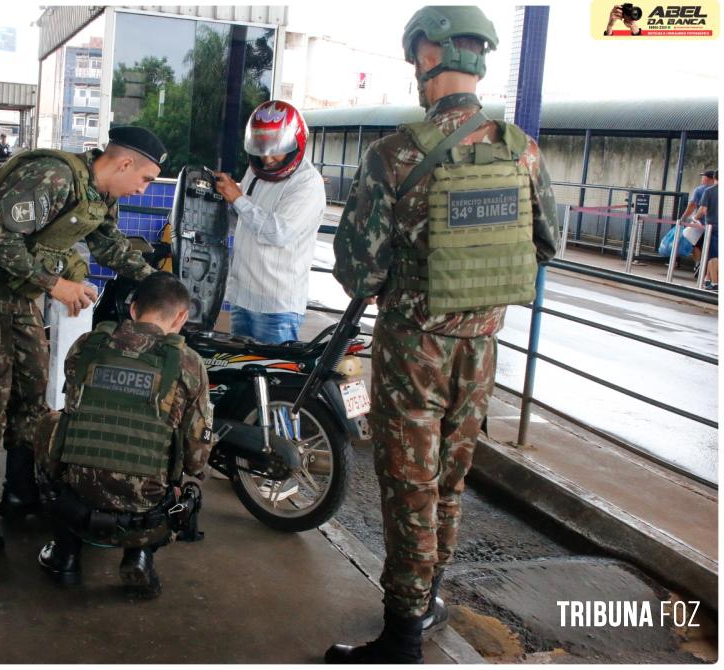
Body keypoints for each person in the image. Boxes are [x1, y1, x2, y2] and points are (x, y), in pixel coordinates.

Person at [325, 6, 559, 663]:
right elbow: (549, 242)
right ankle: (427, 600)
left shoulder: (396, 152)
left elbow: (359, 270)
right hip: (481, 349)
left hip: (414, 351)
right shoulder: (521, 149)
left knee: (409, 489)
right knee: (450, 483)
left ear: (428, 55)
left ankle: (400, 638)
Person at [0, 126, 168, 553]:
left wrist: (161, 285)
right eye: (144, 179)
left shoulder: (100, 196)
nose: (143, 190)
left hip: (20, 293)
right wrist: (56, 284)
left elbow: (111, 247)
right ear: (123, 163)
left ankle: (19, 490)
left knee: (32, 393)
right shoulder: (56, 176)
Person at [35, 272, 213, 598]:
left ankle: (67, 556)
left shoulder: (88, 345)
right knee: (189, 461)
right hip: (147, 511)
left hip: (76, 500)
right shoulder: (190, 364)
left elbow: (76, 408)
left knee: (51, 422)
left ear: (132, 309)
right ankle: (140, 555)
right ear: (182, 317)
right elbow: (196, 454)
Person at [213, 100, 326, 344]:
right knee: (239, 376)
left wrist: (238, 199)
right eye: (262, 148)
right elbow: (244, 220)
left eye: (276, 149)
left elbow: (278, 233)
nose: (268, 158)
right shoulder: (255, 172)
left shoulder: (306, 183)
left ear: (296, 143)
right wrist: (222, 202)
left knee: (272, 378)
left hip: (277, 307)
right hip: (243, 297)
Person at [677, 169, 715, 274]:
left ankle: (699, 264)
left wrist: (683, 218)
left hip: (700, 224)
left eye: (703, 176)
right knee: (711, 247)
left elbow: (692, 206)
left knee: (693, 243)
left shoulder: (700, 190)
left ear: (707, 178)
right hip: (715, 225)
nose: (702, 178)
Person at [695, 171, 718, 291]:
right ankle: (707, 279)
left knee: (714, 255)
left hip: (712, 228)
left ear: (714, 178)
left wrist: (695, 218)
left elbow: (702, 210)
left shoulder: (709, 191)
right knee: (711, 255)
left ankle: (715, 282)